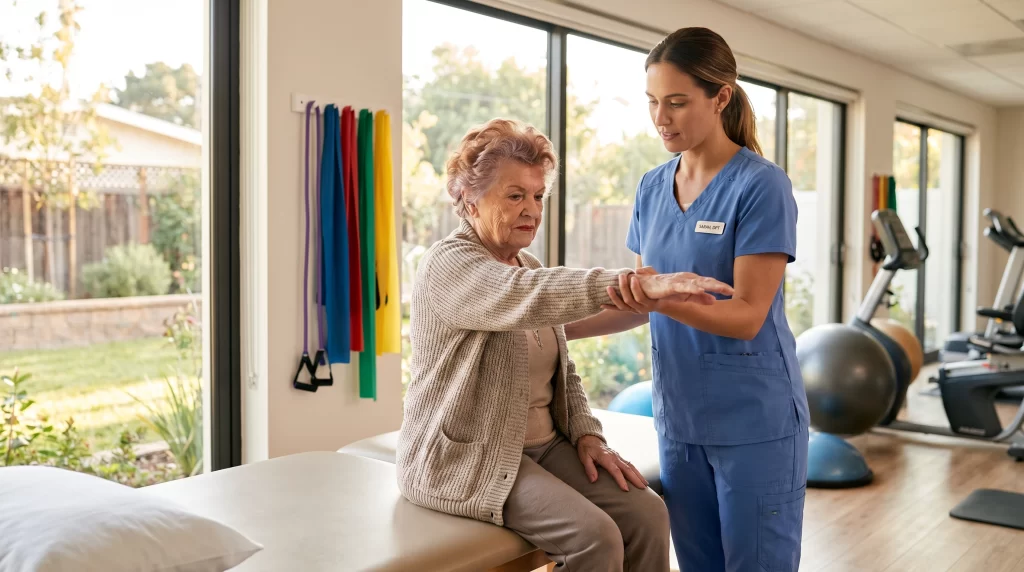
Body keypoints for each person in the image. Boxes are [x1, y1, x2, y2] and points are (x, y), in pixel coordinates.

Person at [396, 117, 734, 572]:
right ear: (470, 201)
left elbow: (561, 366)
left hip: (542, 446)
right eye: (515, 195)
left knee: (648, 513)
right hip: (468, 454)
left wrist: (587, 433)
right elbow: (525, 294)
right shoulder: (450, 265)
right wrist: (627, 281)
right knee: (594, 538)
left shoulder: (525, 262)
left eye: (537, 196)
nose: (532, 210)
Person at [565, 27, 810, 572]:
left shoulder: (761, 186)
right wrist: (550, 329)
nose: (661, 118)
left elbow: (747, 316)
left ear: (721, 97)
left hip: (756, 423)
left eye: (677, 102)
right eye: (653, 102)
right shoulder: (652, 187)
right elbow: (636, 301)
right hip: (679, 420)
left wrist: (656, 298)